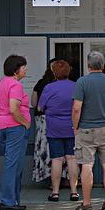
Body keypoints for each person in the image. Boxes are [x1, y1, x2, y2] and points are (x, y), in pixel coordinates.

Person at [71, 51, 105, 210]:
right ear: (103, 65)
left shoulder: (82, 82)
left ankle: (86, 203)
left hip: (86, 129)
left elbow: (76, 108)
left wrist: (75, 127)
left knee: (87, 165)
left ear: (88, 66)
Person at [37, 60, 79, 202]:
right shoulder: (76, 86)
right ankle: (74, 191)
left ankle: (55, 192)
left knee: (57, 159)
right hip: (73, 127)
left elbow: (40, 107)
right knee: (72, 158)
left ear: (54, 73)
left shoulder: (49, 87)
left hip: (54, 128)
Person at [0, 54, 31, 210]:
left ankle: (13, 199)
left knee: (12, 163)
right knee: (13, 165)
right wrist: (25, 124)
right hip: (14, 127)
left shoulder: (2, 83)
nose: (25, 70)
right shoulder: (16, 86)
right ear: (16, 70)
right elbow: (13, 109)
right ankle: (8, 201)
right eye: (23, 68)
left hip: (2, 125)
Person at [31, 58, 57, 183]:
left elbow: (34, 103)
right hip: (58, 119)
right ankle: (62, 178)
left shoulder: (41, 83)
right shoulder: (63, 84)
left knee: (42, 147)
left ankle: (43, 174)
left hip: (41, 119)